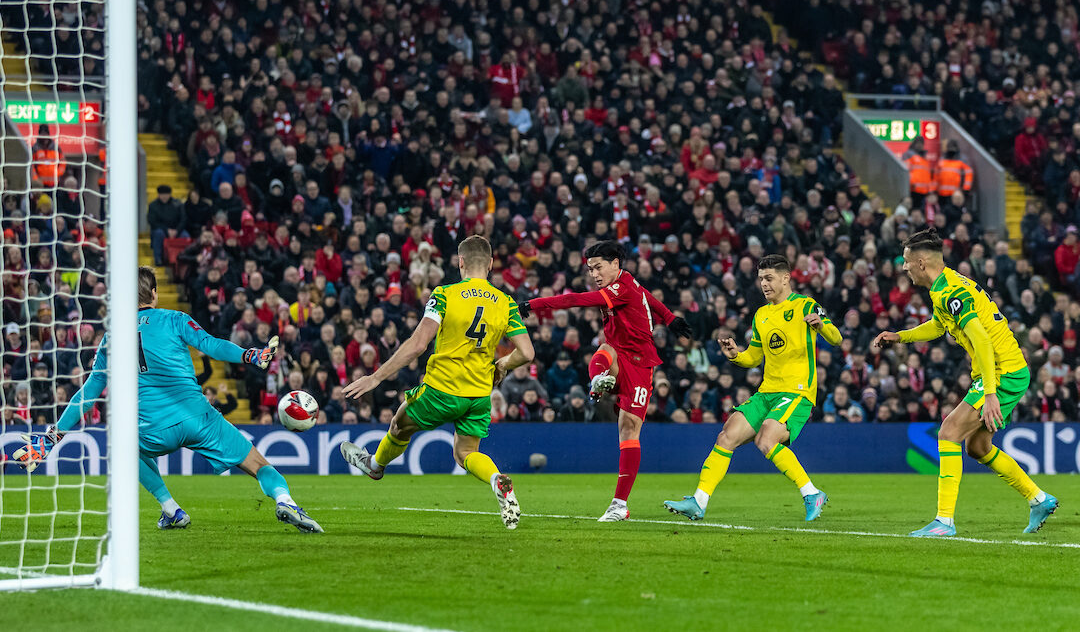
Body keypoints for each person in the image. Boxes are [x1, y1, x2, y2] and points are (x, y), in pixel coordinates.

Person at [14, 267, 322, 533]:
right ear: (155, 294)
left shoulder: (112, 335)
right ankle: (286, 502)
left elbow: (89, 393)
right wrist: (249, 354)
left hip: (153, 427)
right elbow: (211, 345)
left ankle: (171, 509)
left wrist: (53, 437)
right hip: (198, 417)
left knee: (121, 445)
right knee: (258, 464)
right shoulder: (175, 319)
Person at [339, 236, 533, 530]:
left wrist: (376, 376)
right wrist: (503, 364)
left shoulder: (445, 294)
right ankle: (497, 479)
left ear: (460, 262)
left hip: (442, 388)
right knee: (466, 453)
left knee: (399, 424)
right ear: (491, 265)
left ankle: (375, 466)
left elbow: (418, 344)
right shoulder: (505, 302)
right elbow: (528, 353)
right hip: (479, 394)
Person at [874, 227, 1057, 537]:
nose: (902, 267)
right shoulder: (942, 287)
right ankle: (1039, 499)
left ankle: (944, 521)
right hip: (1001, 370)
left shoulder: (952, 292)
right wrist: (900, 336)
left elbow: (983, 342)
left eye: (906, 261)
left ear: (921, 263)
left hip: (1003, 372)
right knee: (977, 446)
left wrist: (989, 394)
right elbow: (937, 325)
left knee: (948, 431)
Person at [519, 240, 694, 521]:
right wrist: (670, 318)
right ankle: (598, 381)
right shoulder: (629, 283)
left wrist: (533, 304)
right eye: (590, 269)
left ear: (616, 264)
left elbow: (573, 300)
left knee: (628, 429)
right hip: (619, 356)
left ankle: (619, 505)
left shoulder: (621, 288)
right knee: (605, 350)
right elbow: (649, 297)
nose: (594, 274)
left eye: (598, 267)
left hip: (641, 366)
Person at [664, 254, 838, 522]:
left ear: (785, 278)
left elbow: (836, 338)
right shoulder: (762, 315)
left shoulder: (806, 305)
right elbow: (754, 357)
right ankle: (699, 502)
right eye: (760, 279)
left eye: (769, 278)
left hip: (796, 391)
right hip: (766, 392)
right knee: (727, 436)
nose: (764, 284)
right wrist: (736, 354)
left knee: (766, 439)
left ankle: (811, 493)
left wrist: (821, 326)